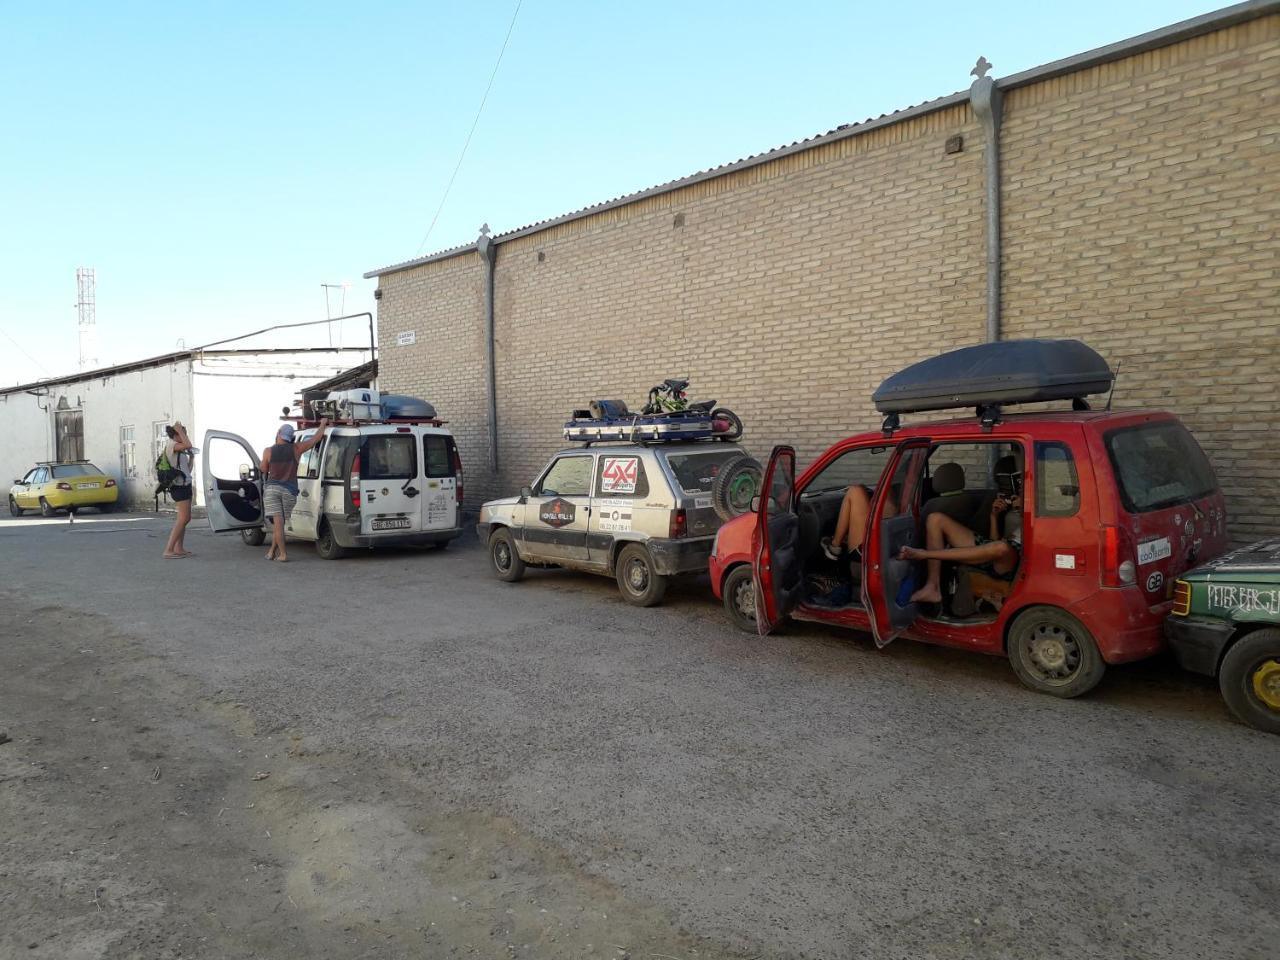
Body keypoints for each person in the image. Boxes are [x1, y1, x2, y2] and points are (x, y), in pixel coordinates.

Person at [899, 454, 1024, 604]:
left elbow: (1003, 547)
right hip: (995, 550)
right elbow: (993, 542)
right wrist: (994, 516)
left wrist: (1025, 511)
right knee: (935, 519)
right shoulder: (1007, 505)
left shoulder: (1040, 508)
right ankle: (933, 587)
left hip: (1014, 556)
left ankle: (924, 554)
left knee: (1002, 547)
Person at [261, 419, 329, 562]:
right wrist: (323, 424)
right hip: (289, 492)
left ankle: (283, 554)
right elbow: (316, 439)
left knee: (278, 524)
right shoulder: (296, 448)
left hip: (272, 490)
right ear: (290, 437)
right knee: (279, 524)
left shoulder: (268, 451)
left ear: (278, 434)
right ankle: (272, 551)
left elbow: (263, 469)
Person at [162, 421, 195, 559]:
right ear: (176, 435)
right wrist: (180, 430)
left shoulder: (180, 450)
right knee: (183, 519)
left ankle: (178, 548)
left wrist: (191, 457)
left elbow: (187, 469)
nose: (185, 436)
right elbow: (188, 444)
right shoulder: (172, 445)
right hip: (178, 487)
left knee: (184, 519)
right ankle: (168, 550)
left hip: (184, 484)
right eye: (182, 433)